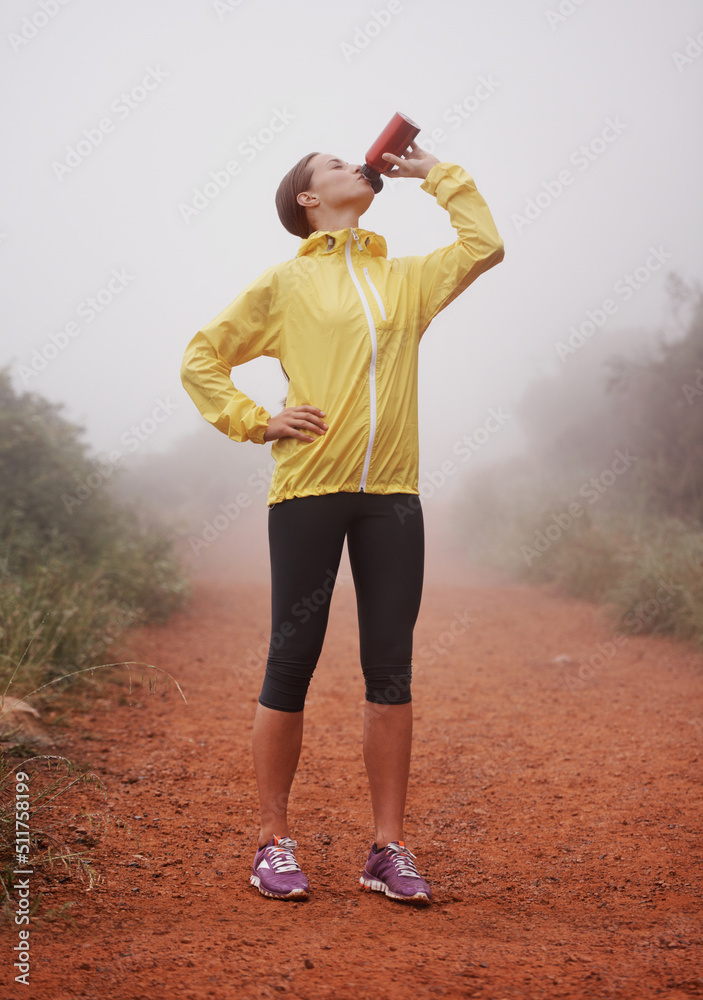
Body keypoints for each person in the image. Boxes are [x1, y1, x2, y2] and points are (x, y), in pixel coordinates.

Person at [180, 138, 504, 905]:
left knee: (389, 670)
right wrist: (255, 421)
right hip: (308, 493)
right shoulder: (287, 283)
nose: (348, 166)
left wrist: (435, 175)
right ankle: (271, 842)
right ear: (306, 197)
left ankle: (386, 848)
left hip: (393, 495)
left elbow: (484, 245)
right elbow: (201, 358)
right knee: (291, 661)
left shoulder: (406, 279)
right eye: (329, 163)